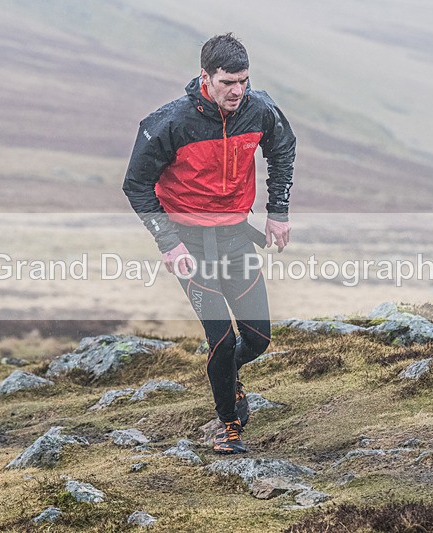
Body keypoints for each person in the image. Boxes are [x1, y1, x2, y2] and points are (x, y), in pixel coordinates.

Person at [122, 33, 296, 454]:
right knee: (219, 338)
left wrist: (278, 212)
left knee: (257, 338)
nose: (237, 91)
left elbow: (283, 150)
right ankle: (229, 423)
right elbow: (136, 185)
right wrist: (168, 243)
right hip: (189, 244)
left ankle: (225, 376)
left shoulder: (260, 109)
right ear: (205, 77)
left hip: (236, 236)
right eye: (228, 82)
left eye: (244, 81)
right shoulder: (168, 123)